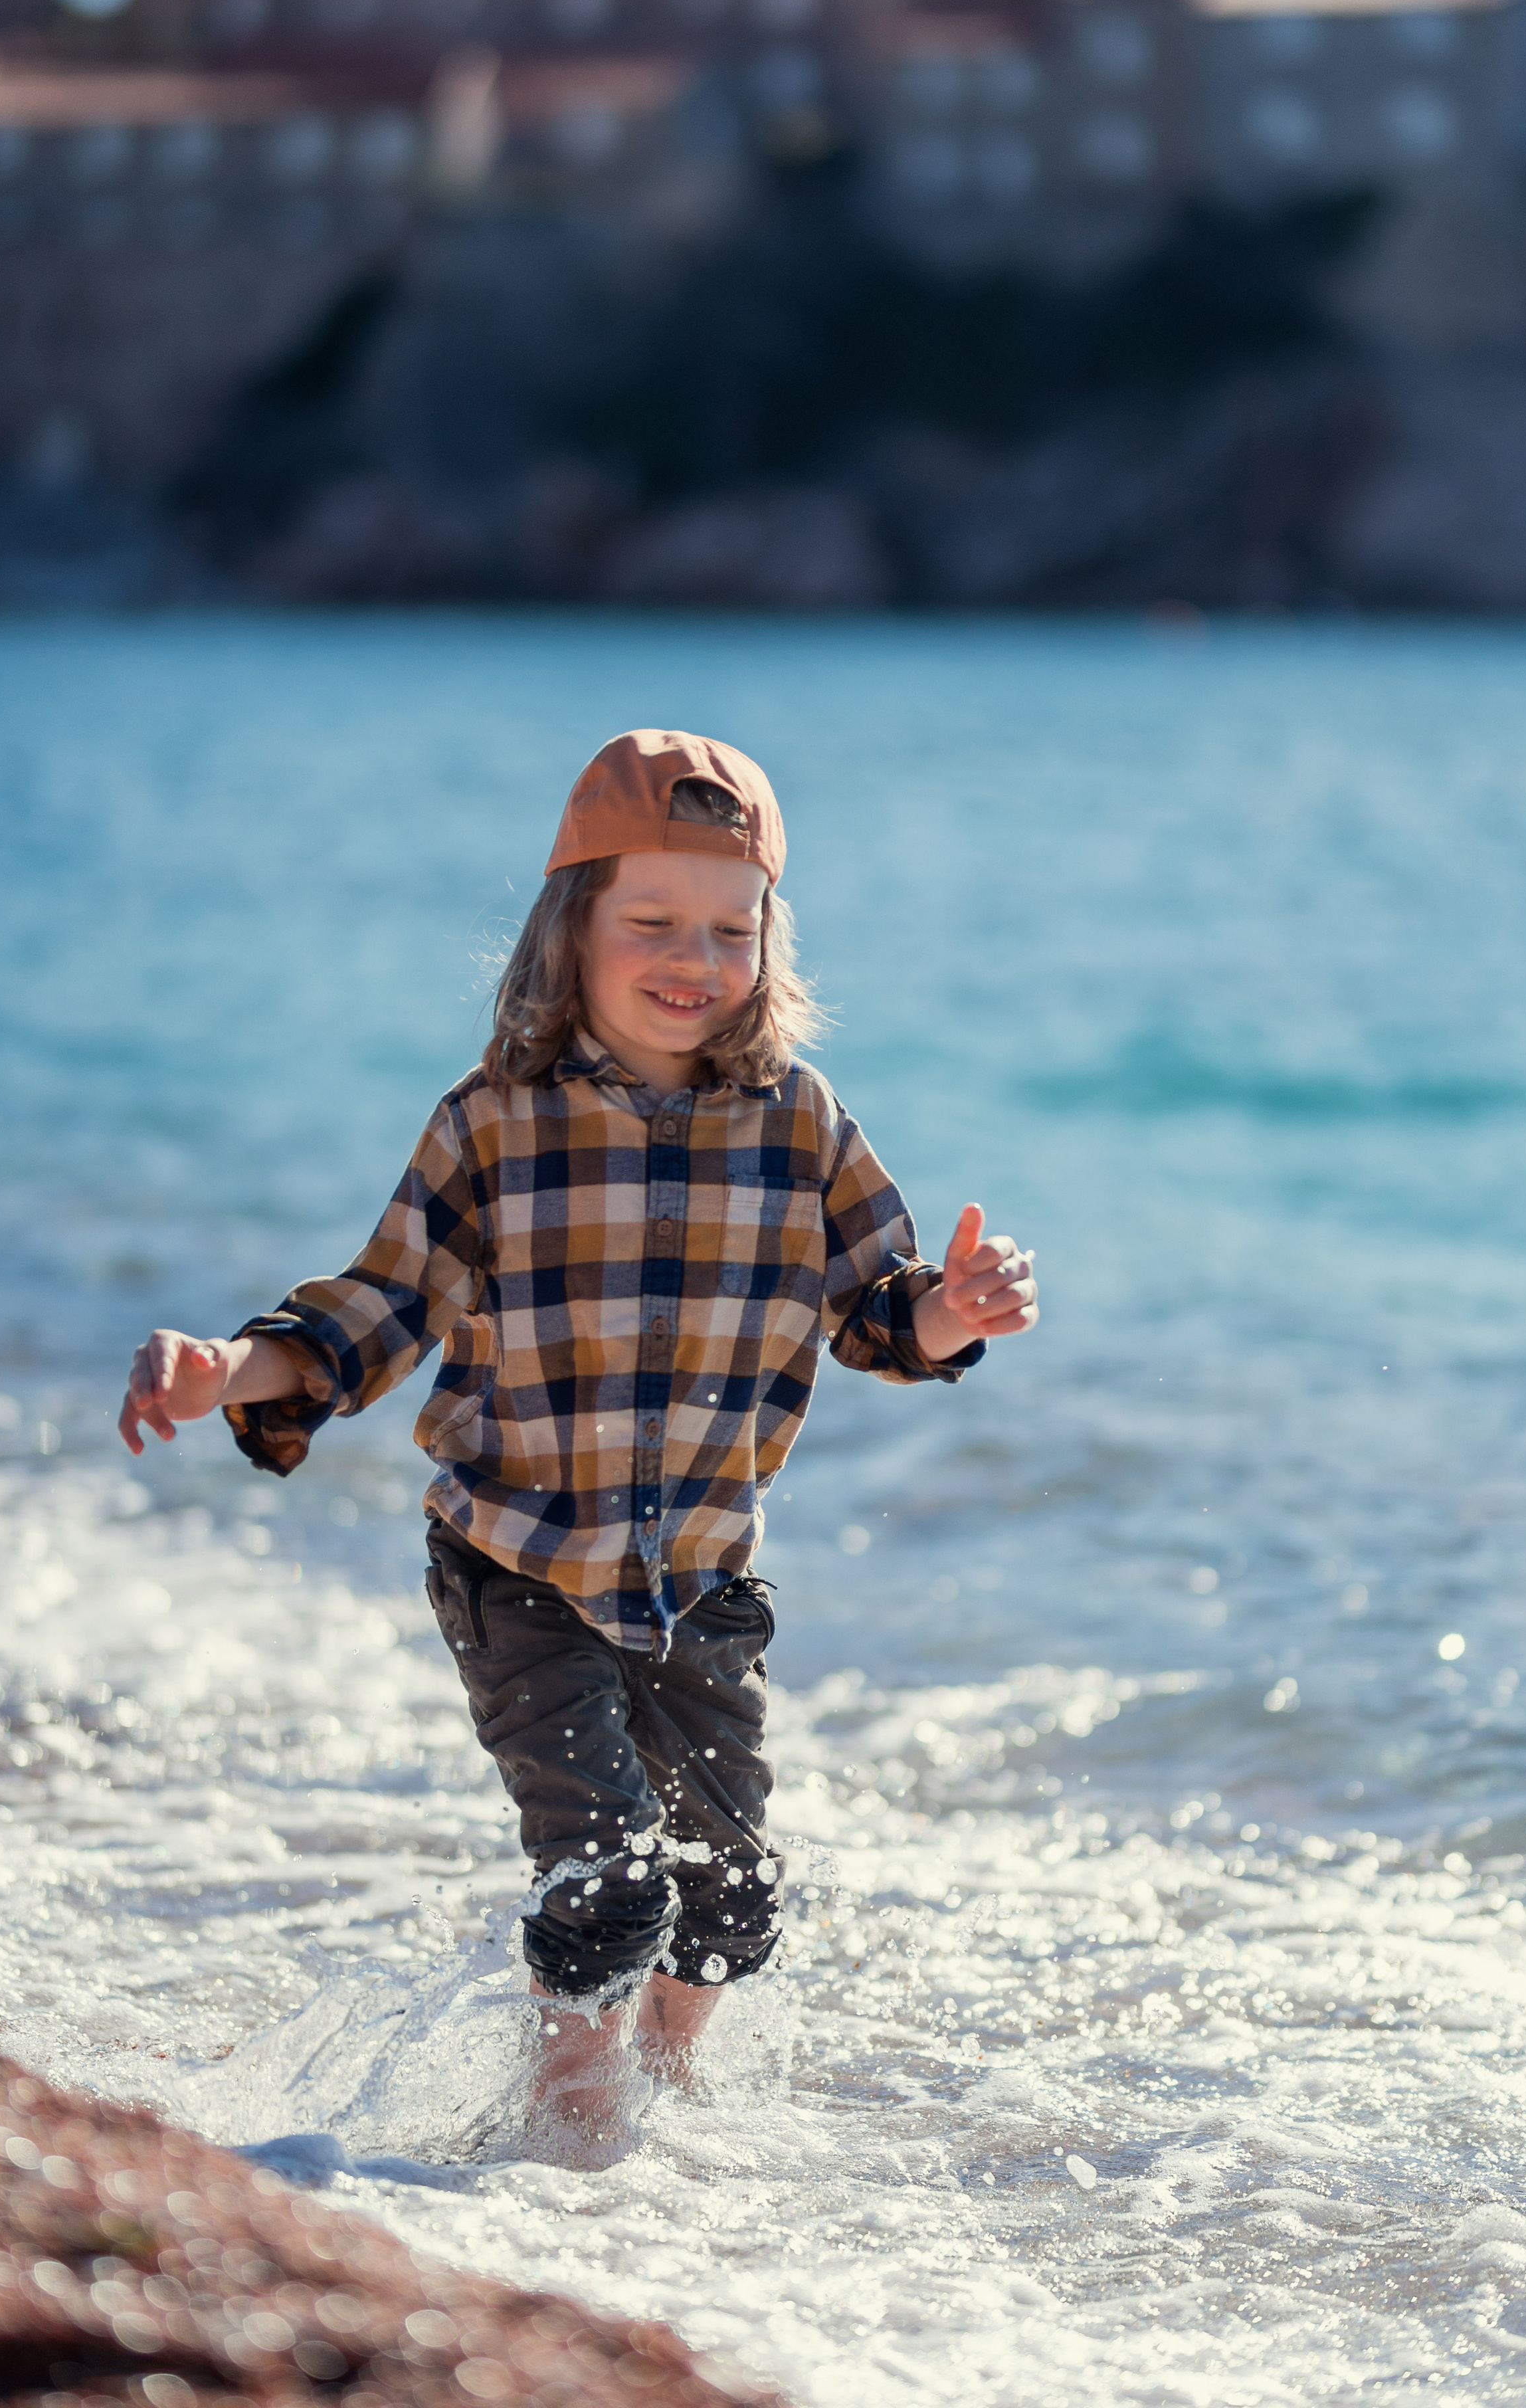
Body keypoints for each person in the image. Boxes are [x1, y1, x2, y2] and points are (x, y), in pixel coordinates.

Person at [118, 730, 1038, 2154]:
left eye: (730, 928)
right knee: (607, 1874)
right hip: (518, 1568)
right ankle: (570, 2132)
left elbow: (876, 1313)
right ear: (571, 931)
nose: (694, 957)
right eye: (651, 923)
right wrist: (227, 1371)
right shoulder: (491, 1124)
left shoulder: (799, 1124)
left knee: (729, 1896)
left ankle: (665, 2110)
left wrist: (951, 1313)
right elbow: (374, 1312)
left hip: (700, 1572)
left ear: (768, 942)